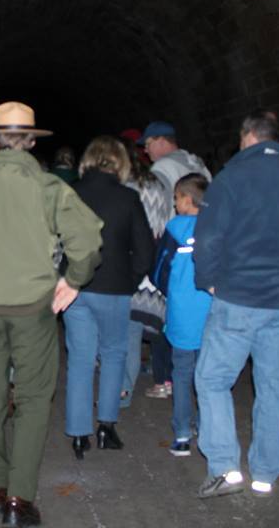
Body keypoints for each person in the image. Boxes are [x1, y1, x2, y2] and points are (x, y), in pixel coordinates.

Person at [0, 101, 102, 527]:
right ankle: (18, 498)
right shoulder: (49, 188)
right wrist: (73, 280)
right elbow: (87, 239)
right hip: (33, 309)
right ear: (31, 141)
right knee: (32, 401)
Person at [193, 112, 279, 498]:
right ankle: (266, 473)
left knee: (213, 379)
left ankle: (225, 467)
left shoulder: (230, 180)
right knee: (276, 387)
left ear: (249, 137)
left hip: (236, 298)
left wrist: (209, 282)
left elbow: (208, 241)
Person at [65, 136, 153, 459]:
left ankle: (78, 434)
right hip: (114, 286)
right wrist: (129, 282)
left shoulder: (70, 193)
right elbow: (145, 251)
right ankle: (106, 427)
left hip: (75, 287)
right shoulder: (128, 198)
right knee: (114, 354)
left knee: (79, 359)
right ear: (120, 163)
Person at [138, 121, 211, 399]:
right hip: (202, 246)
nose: (145, 149)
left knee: (166, 311)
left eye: (148, 143)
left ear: (161, 141)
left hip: (174, 245)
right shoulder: (198, 163)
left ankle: (165, 377)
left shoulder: (162, 169)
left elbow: (155, 208)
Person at [151, 174, 212, 457]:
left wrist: (169, 290)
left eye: (176, 198)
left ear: (187, 199)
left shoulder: (175, 228)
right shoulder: (216, 227)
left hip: (182, 313)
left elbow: (160, 267)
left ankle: (182, 434)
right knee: (209, 375)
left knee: (182, 373)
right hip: (212, 313)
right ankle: (206, 425)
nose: (174, 205)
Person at [119, 135, 173, 409]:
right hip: (152, 263)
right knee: (135, 328)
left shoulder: (123, 186)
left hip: (127, 262)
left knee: (124, 330)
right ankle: (129, 387)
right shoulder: (158, 183)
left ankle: (122, 390)